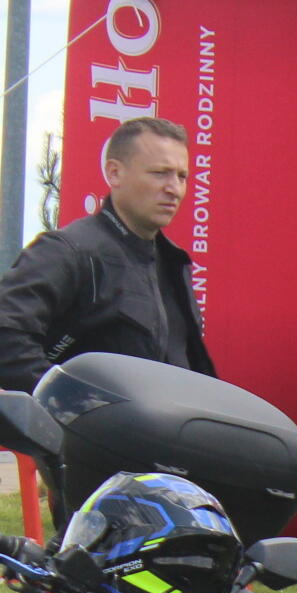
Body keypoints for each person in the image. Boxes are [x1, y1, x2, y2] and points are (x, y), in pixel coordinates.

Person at [0, 116, 213, 395]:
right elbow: (6, 336)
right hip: (81, 425)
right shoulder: (68, 251)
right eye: (160, 173)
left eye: (182, 176)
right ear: (114, 173)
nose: (174, 188)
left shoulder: (174, 264)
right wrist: (70, 403)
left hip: (161, 423)